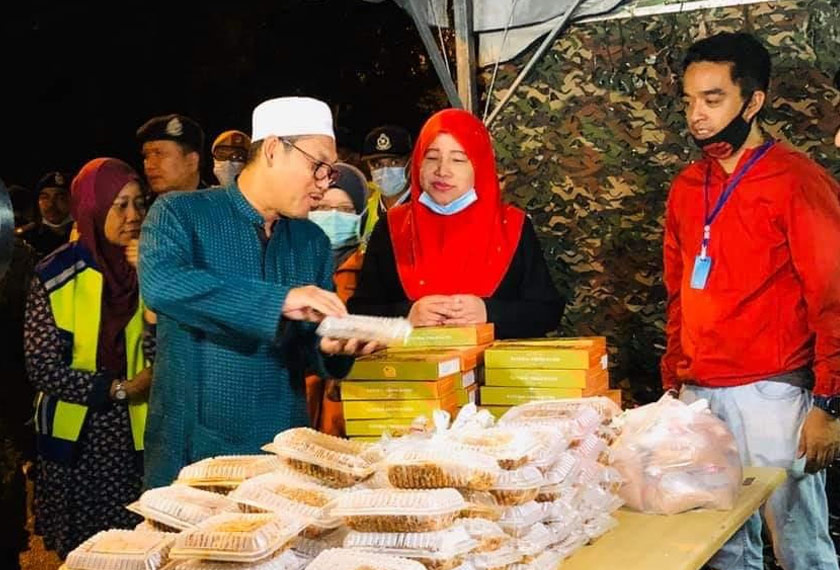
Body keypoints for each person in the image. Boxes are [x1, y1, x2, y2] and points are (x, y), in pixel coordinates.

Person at [662, 32, 840, 570]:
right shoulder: (687, 187)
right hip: (699, 394)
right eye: (690, 100)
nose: (697, 114)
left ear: (753, 100)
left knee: (800, 543)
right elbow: (677, 293)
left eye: (713, 99)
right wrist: (674, 379)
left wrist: (828, 404)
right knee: (719, 546)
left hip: (773, 393)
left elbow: (833, 294)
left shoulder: (796, 180)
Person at [139, 96, 379, 489]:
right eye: (317, 165)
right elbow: (163, 285)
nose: (324, 182)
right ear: (272, 149)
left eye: (330, 171)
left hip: (284, 455)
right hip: (195, 459)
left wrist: (335, 348)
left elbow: (306, 346)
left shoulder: (310, 241)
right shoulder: (180, 214)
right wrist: (280, 300)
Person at [25, 158, 151, 558]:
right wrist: (116, 389)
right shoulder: (55, 273)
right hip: (75, 440)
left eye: (138, 203)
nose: (133, 216)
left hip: (137, 437)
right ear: (93, 208)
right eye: (120, 205)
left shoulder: (152, 269)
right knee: (83, 550)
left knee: (135, 548)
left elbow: (162, 346)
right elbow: (42, 365)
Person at [348, 109, 564, 339]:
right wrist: (407, 315)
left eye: (458, 159)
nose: (442, 171)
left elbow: (547, 311)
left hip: (495, 370)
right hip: (415, 369)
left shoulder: (513, 226)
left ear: (479, 166)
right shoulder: (391, 227)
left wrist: (489, 312)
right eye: (431, 157)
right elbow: (359, 312)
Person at [306, 162, 369, 435]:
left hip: (351, 403)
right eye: (321, 208)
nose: (332, 217)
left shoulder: (369, 270)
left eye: (344, 210)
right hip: (300, 401)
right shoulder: (295, 265)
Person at [361, 125, 412, 239]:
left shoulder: (425, 207)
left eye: (394, 163)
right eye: (377, 165)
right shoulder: (364, 207)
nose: (385, 171)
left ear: (411, 162)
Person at [137, 113, 205, 195]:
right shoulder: (139, 206)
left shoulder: (220, 204)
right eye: (146, 156)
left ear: (191, 161)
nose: (149, 166)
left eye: (159, 154)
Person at [19, 172, 74, 259]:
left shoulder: (87, 236)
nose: (51, 204)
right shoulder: (26, 238)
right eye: (45, 197)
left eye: (60, 198)